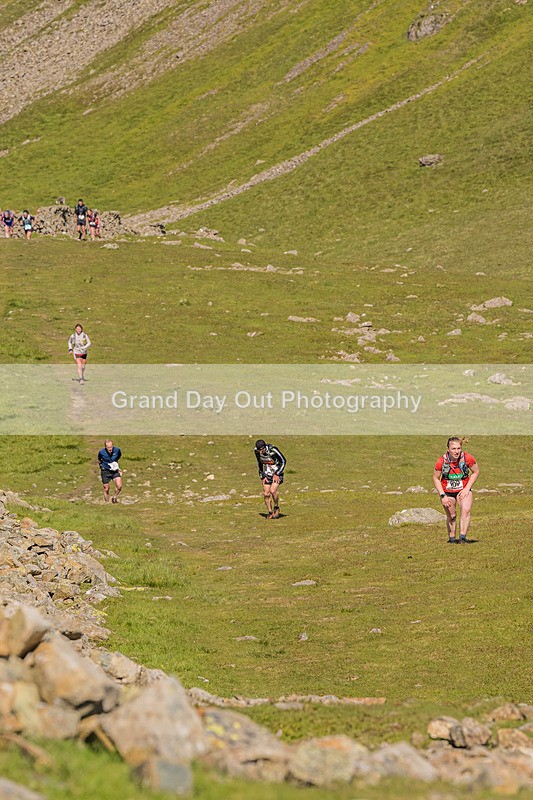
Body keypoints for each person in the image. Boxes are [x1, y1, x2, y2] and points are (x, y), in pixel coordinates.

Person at [433, 436, 479, 543]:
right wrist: (442, 495)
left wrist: (467, 488)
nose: (456, 451)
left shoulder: (467, 458)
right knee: (452, 516)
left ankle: (463, 538)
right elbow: (435, 478)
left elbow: (476, 472)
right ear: (448, 449)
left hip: (463, 489)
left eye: (458, 448)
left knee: (466, 510)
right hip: (447, 492)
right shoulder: (441, 461)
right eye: (453, 449)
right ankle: (452, 539)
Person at [254, 439, 286, 519]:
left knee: (273, 491)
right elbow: (259, 463)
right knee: (266, 493)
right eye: (259, 450)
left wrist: (277, 474)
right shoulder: (256, 451)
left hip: (276, 472)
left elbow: (283, 461)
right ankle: (270, 512)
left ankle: (276, 507)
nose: (260, 452)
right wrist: (262, 476)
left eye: (261, 450)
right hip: (267, 472)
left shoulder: (273, 449)